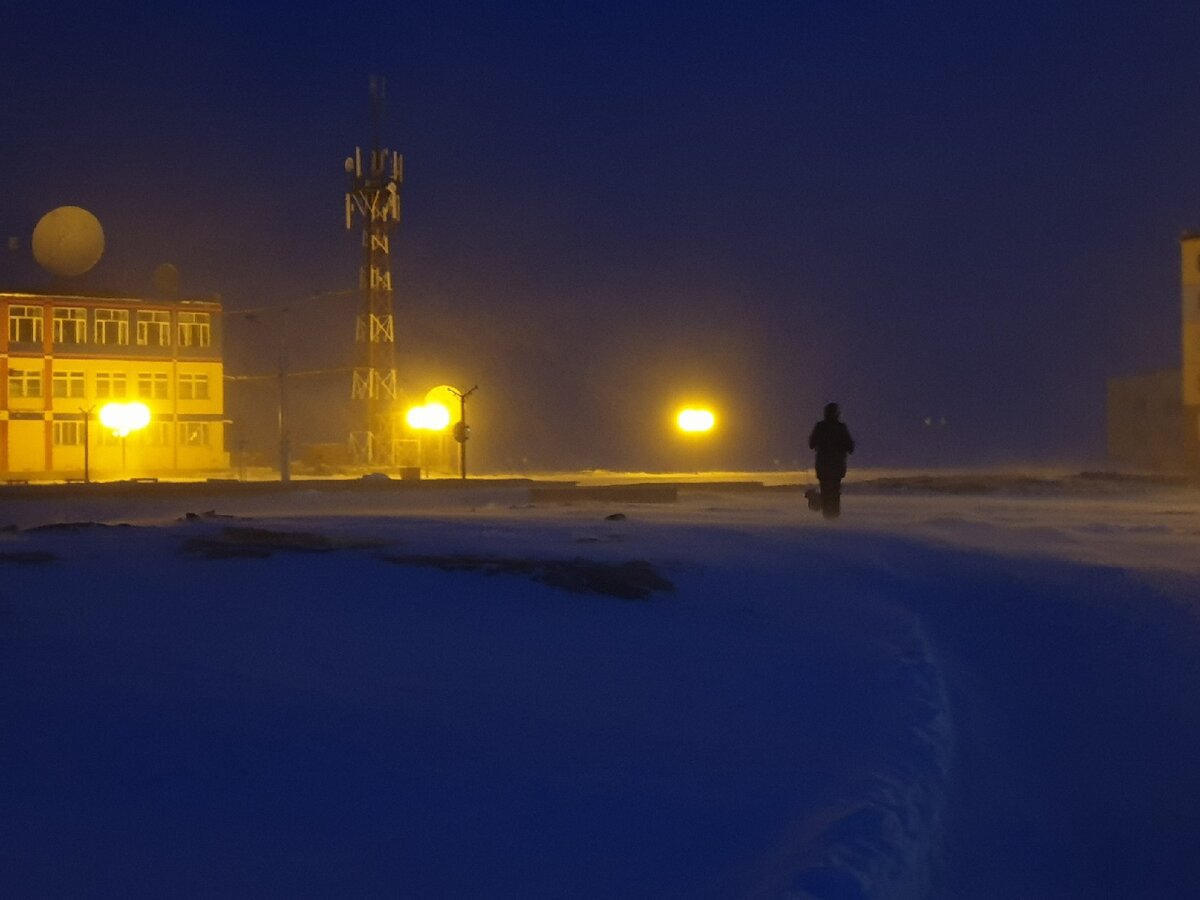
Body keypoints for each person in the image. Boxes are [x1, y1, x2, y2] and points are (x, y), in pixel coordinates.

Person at [808, 402, 855, 519]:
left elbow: (811, 444)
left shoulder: (820, 427)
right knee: (834, 494)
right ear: (837, 413)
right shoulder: (841, 428)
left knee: (826, 493)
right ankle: (833, 518)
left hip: (823, 467)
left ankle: (827, 517)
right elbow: (850, 447)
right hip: (836, 468)